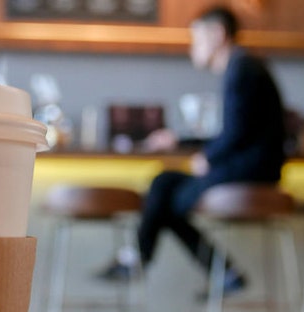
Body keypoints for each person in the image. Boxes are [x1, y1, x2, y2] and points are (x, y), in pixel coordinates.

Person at [97, 7, 287, 295]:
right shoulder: (244, 65)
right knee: (164, 189)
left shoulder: (241, 68)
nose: (192, 47)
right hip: (251, 167)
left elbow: (236, 134)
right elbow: (236, 131)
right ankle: (220, 272)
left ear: (218, 34)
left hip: (252, 172)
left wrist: (208, 158)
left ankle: (141, 257)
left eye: (196, 38)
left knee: (164, 193)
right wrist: (181, 141)